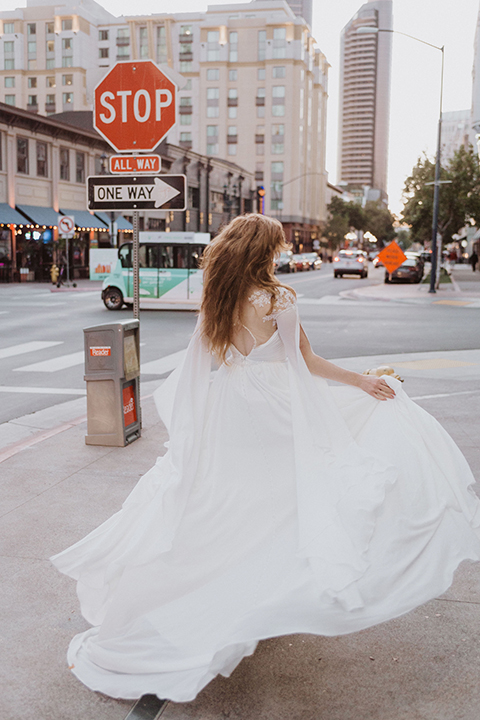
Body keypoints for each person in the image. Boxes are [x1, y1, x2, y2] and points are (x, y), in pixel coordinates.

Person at [51, 214, 480, 704]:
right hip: (274, 411)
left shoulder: (216, 298)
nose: (279, 253)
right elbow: (305, 363)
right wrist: (362, 382)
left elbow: (200, 364)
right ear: (264, 252)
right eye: (276, 246)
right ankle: (257, 593)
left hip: (228, 409)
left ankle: (211, 594)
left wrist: (189, 430)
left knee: (227, 500)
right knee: (282, 503)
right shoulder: (280, 299)